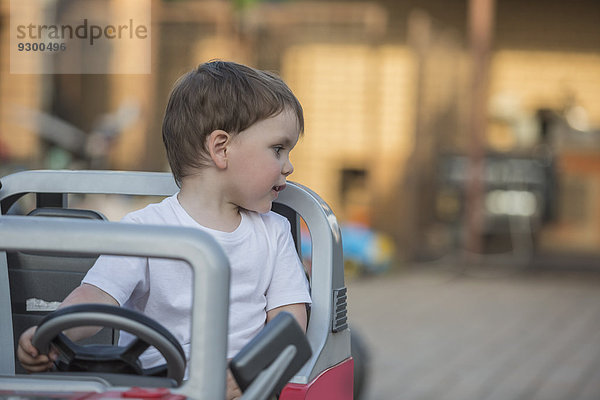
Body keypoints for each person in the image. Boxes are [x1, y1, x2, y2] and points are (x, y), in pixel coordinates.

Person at [17, 60, 312, 399]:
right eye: (278, 149)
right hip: (153, 387)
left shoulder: (273, 233)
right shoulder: (145, 231)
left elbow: (289, 323)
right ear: (221, 148)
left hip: (242, 389)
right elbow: (95, 297)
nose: (289, 166)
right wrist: (52, 333)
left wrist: (245, 375)